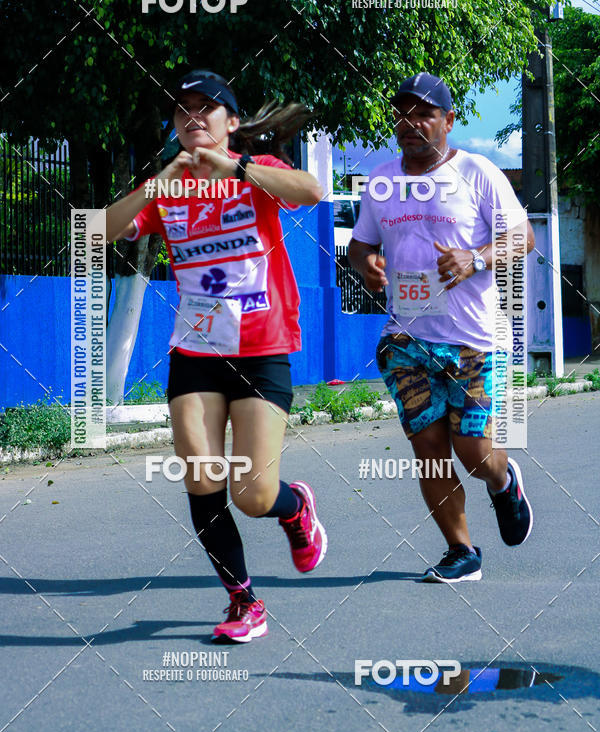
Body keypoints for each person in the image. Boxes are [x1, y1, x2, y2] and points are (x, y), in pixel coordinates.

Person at [106, 69, 328, 640]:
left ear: (232, 124)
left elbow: (313, 192)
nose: (194, 117)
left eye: (208, 108)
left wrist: (236, 168)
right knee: (203, 479)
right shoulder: (168, 190)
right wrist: (159, 183)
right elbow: (95, 233)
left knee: (252, 494)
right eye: (183, 110)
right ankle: (242, 601)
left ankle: (294, 507)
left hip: (262, 349)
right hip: (194, 354)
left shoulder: (258, 177)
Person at [348, 72, 534, 583]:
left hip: (471, 340)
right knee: (428, 449)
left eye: (424, 114)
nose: (411, 124)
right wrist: (366, 263)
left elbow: (524, 237)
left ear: (448, 122)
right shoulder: (382, 182)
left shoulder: (478, 173)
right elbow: (361, 243)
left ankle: (502, 481)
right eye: (403, 114)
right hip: (405, 339)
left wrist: (476, 258)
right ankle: (461, 551)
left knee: (473, 453)